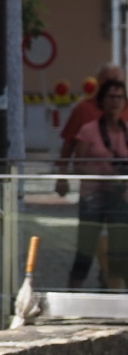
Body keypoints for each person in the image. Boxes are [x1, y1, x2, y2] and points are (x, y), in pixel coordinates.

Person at [65, 78, 128, 289]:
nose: (115, 101)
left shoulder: (126, 130)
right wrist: (104, 172)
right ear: (102, 100)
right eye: (111, 96)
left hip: (120, 198)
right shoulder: (89, 130)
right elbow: (78, 164)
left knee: (119, 251)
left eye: (120, 97)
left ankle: (115, 297)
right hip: (93, 196)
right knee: (85, 250)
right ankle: (72, 296)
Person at [56, 62, 124, 197]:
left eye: (115, 80)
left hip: (122, 190)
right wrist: (61, 178)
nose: (111, 85)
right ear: (99, 81)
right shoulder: (83, 108)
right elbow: (68, 145)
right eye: (107, 80)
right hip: (92, 189)